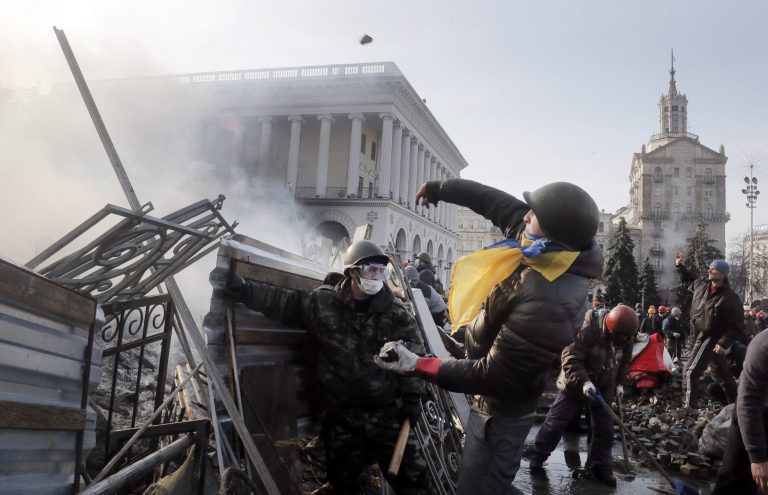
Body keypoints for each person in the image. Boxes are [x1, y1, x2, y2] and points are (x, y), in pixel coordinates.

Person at [374, 178, 603, 495]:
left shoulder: (551, 301)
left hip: (503, 413)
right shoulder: (544, 246)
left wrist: (419, 365)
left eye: (534, 214)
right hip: (489, 400)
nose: (525, 216)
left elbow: (495, 375)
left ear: (555, 232)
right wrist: (443, 189)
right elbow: (495, 203)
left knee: (481, 489)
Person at [225, 240, 431, 495]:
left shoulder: (395, 313)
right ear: (353, 272)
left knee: (415, 482)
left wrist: (413, 397)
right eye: (371, 270)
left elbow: (415, 356)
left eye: (381, 271)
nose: (377, 277)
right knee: (343, 482)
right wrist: (245, 290)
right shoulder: (324, 304)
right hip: (341, 418)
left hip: (386, 415)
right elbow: (286, 303)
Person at [528, 304, 638, 487]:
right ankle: (538, 456)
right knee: (555, 423)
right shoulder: (587, 330)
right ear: (611, 328)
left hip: (604, 387)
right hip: (575, 385)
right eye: (621, 337)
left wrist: (620, 383)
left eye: (627, 337)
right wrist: (584, 382)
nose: (625, 340)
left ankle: (599, 466)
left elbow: (624, 362)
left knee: (604, 430)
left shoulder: (626, 336)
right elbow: (570, 358)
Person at [675, 254, 744, 408]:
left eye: (713, 269)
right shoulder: (701, 285)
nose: (709, 270)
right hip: (696, 334)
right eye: (710, 268)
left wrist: (723, 343)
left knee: (691, 371)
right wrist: (679, 266)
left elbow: (737, 325)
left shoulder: (730, 298)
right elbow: (687, 280)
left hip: (709, 337)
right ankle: (738, 403)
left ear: (722, 274)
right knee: (721, 374)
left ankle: (689, 409)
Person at [712, 327, 768, 494]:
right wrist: (757, 457)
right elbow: (748, 400)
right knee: (734, 483)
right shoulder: (762, 345)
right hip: (756, 418)